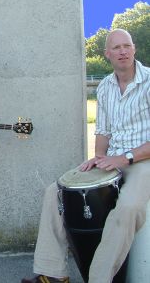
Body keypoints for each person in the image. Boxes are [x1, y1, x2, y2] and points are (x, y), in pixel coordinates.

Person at [22, 29, 150, 283]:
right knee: (54, 192)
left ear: (134, 49)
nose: (123, 51)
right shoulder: (104, 87)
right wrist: (98, 157)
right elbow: (102, 132)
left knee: (129, 208)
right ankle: (53, 274)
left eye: (127, 46)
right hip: (113, 160)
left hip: (142, 160)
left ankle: (99, 279)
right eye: (116, 48)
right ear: (107, 54)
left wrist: (124, 158)